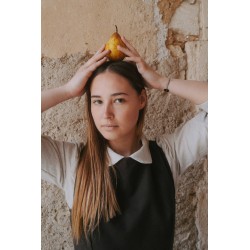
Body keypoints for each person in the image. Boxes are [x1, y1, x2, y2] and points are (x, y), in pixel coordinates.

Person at [41, 36, 208, 250]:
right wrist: (68, 90)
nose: (106, 114)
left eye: (118, 100)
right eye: (97, 101)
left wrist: (163, 82)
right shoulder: (70, 163)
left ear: (141, 100)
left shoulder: (169, 155)